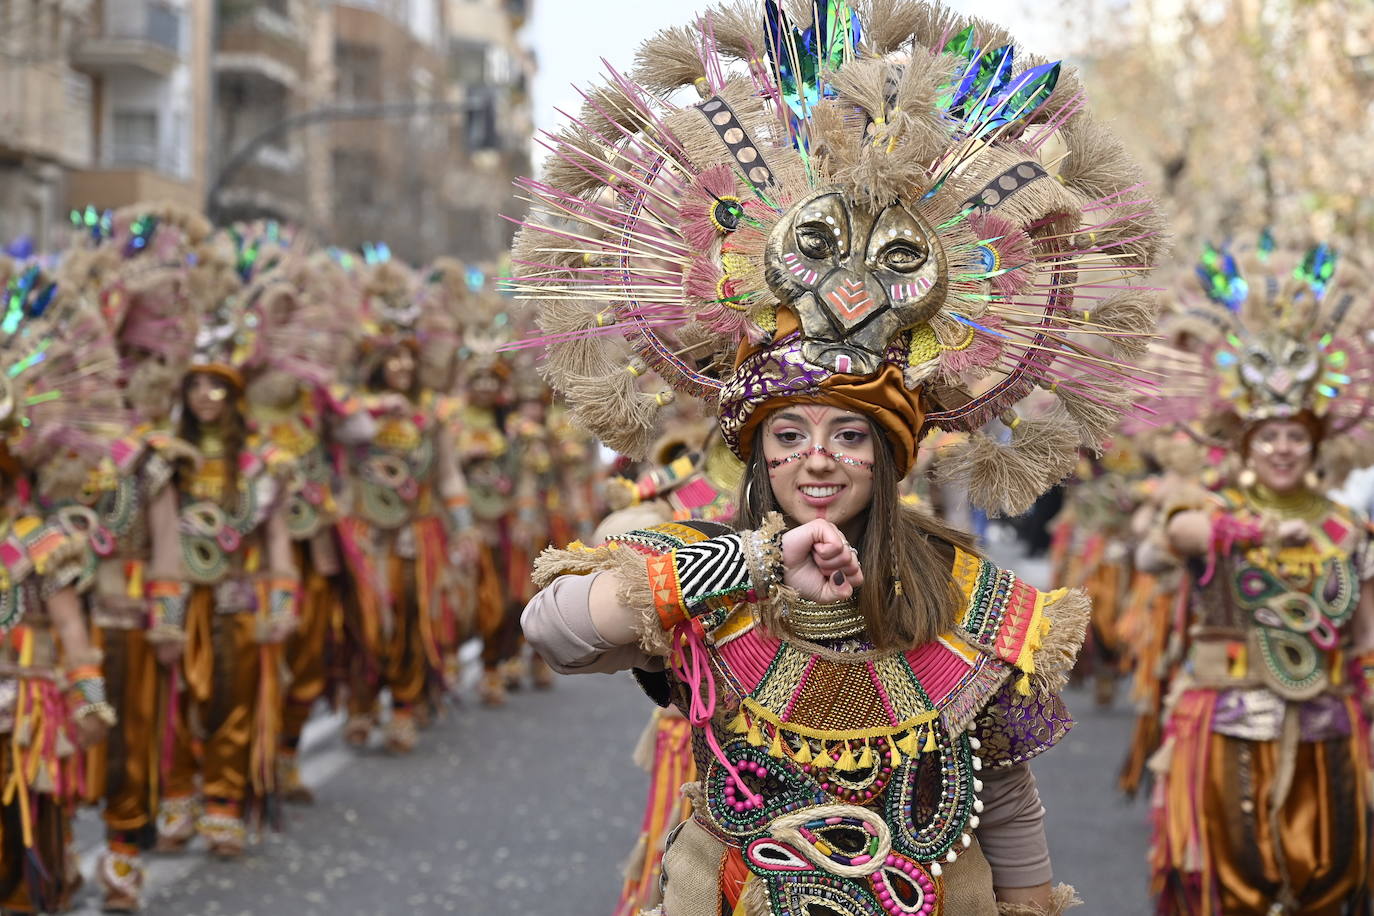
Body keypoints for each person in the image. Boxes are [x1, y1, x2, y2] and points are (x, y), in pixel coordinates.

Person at [512, 2, 1165, 911]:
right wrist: (751, 561)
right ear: (759, 456)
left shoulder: (963, 587)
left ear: (889, 458)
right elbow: (551, 632)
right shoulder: (703, 569)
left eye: (850, 435)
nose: (818, 460)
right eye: (787, 437)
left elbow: (1008, 795)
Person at [1150, 239, 1374, 914]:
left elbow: (1363, 631)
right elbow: (1176, 535)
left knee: (1328, 880)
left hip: (1328, 724)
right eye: (1268, 437)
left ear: (1315, 445)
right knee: (1235, 882)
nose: (1282, 449)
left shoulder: (1344, 524)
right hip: (1229, 722)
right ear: (1246, 446)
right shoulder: (1217, 508)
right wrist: (1258, 532)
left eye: (1294, 437)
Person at [58, 204, 206, 910]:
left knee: (133, 740)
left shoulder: (150, 458)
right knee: (53, 743)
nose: (131, 373)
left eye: (144, 361)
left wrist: (170, 619)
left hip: (131, 622)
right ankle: (53, 848)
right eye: (125, 359)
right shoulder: (46, 453)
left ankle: (121, 850)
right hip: (55, 626)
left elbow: (169, 543)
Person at [158, 243, 301, 858]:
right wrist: (162, 607)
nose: (205, 399)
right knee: (176, 702)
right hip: (182, 596)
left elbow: (274, 538)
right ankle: (178, 798)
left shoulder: (262, 463)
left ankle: (223, 803)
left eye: (217, 388)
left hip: (239, 597)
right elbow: (160, 536)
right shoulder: (167, 457)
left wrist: (284, 598)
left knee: (232, 704)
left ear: (235, 394)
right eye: (196, 388)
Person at [0, 261, 125, 912]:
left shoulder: (40, 539)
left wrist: (88, 695)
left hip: (25, 711)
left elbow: (72, 626)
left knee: (28, 857)